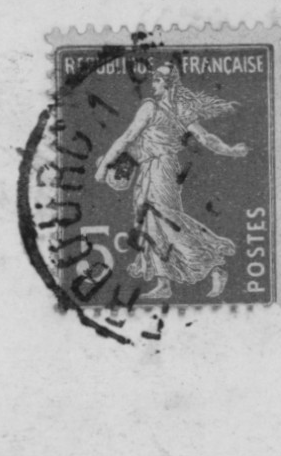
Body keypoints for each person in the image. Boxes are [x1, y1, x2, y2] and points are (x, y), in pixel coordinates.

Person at [94, 63, 249, 300]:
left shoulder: (151, 107)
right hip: (153, 168)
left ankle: (212, 266)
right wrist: (230, 150)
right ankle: (164, 282)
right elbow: (205, 138)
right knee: (152, 223)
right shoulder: (179, 109)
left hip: (161, 169)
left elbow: (126, 138)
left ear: (166, 84)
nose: (153, 85)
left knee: (165, 220)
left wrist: (104, 167)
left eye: (156, 81)